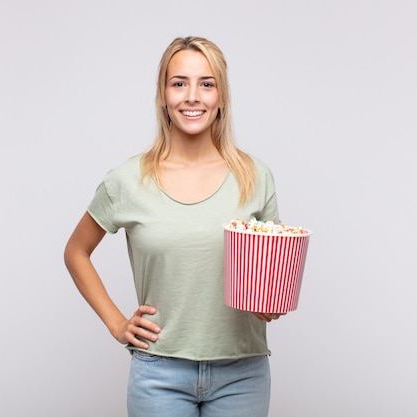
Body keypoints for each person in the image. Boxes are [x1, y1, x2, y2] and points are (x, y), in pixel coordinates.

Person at [64, 36, 284, 417]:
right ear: (163, 95)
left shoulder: (255, 176)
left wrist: (270, 301)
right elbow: (76, 251)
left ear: (222, 97)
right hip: (159, 373)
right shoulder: (127, 180)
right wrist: (117, 323)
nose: (192, 96)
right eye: (179, 83)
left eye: (207, 83)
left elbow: (274, 265)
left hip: (242, 372)